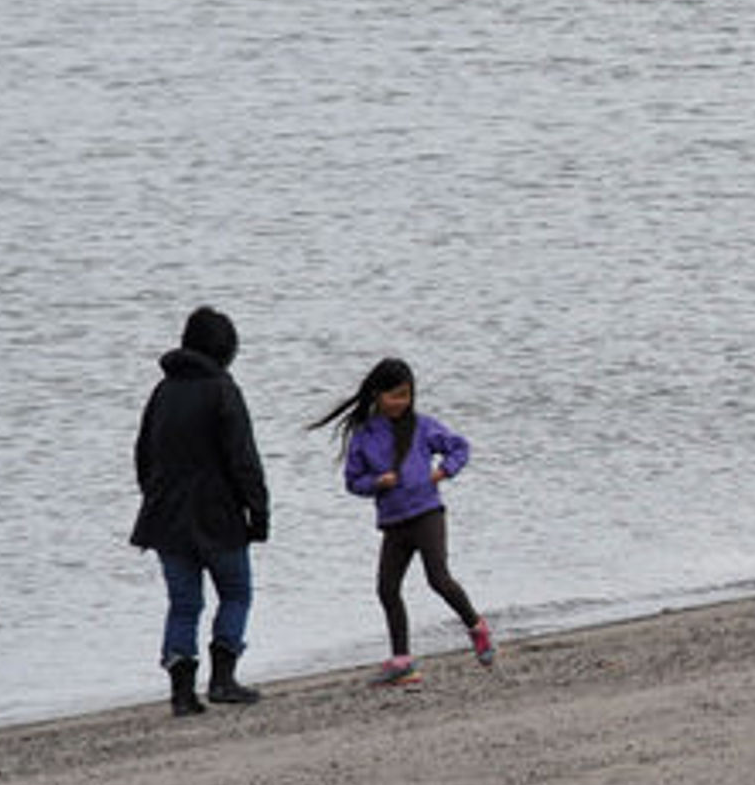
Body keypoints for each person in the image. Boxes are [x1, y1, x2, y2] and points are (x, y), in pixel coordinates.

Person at [310, 356, 491, 686]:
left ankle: (476, 626)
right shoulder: (364, 436)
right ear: (377, 395)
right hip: (394, 522)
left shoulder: (422, 426)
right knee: (387, 588)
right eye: (394, 395)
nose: (400, 402)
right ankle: (403, 661)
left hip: (427, 514)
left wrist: (444, 470)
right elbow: (353, 481)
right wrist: (377, 483)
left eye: (406, 395)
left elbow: (459, 447)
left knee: (438, 578)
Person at [128, 305, 270, 717]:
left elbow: (142, 455)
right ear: (226, 350)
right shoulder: (223, 389)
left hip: (166, 520)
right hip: (219, 518)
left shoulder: (162, 391)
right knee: (236, 593)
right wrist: (258, 514)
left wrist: (154, 497)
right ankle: (223, 680)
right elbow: (243, 459)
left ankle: (182, 693)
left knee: (184, 603)